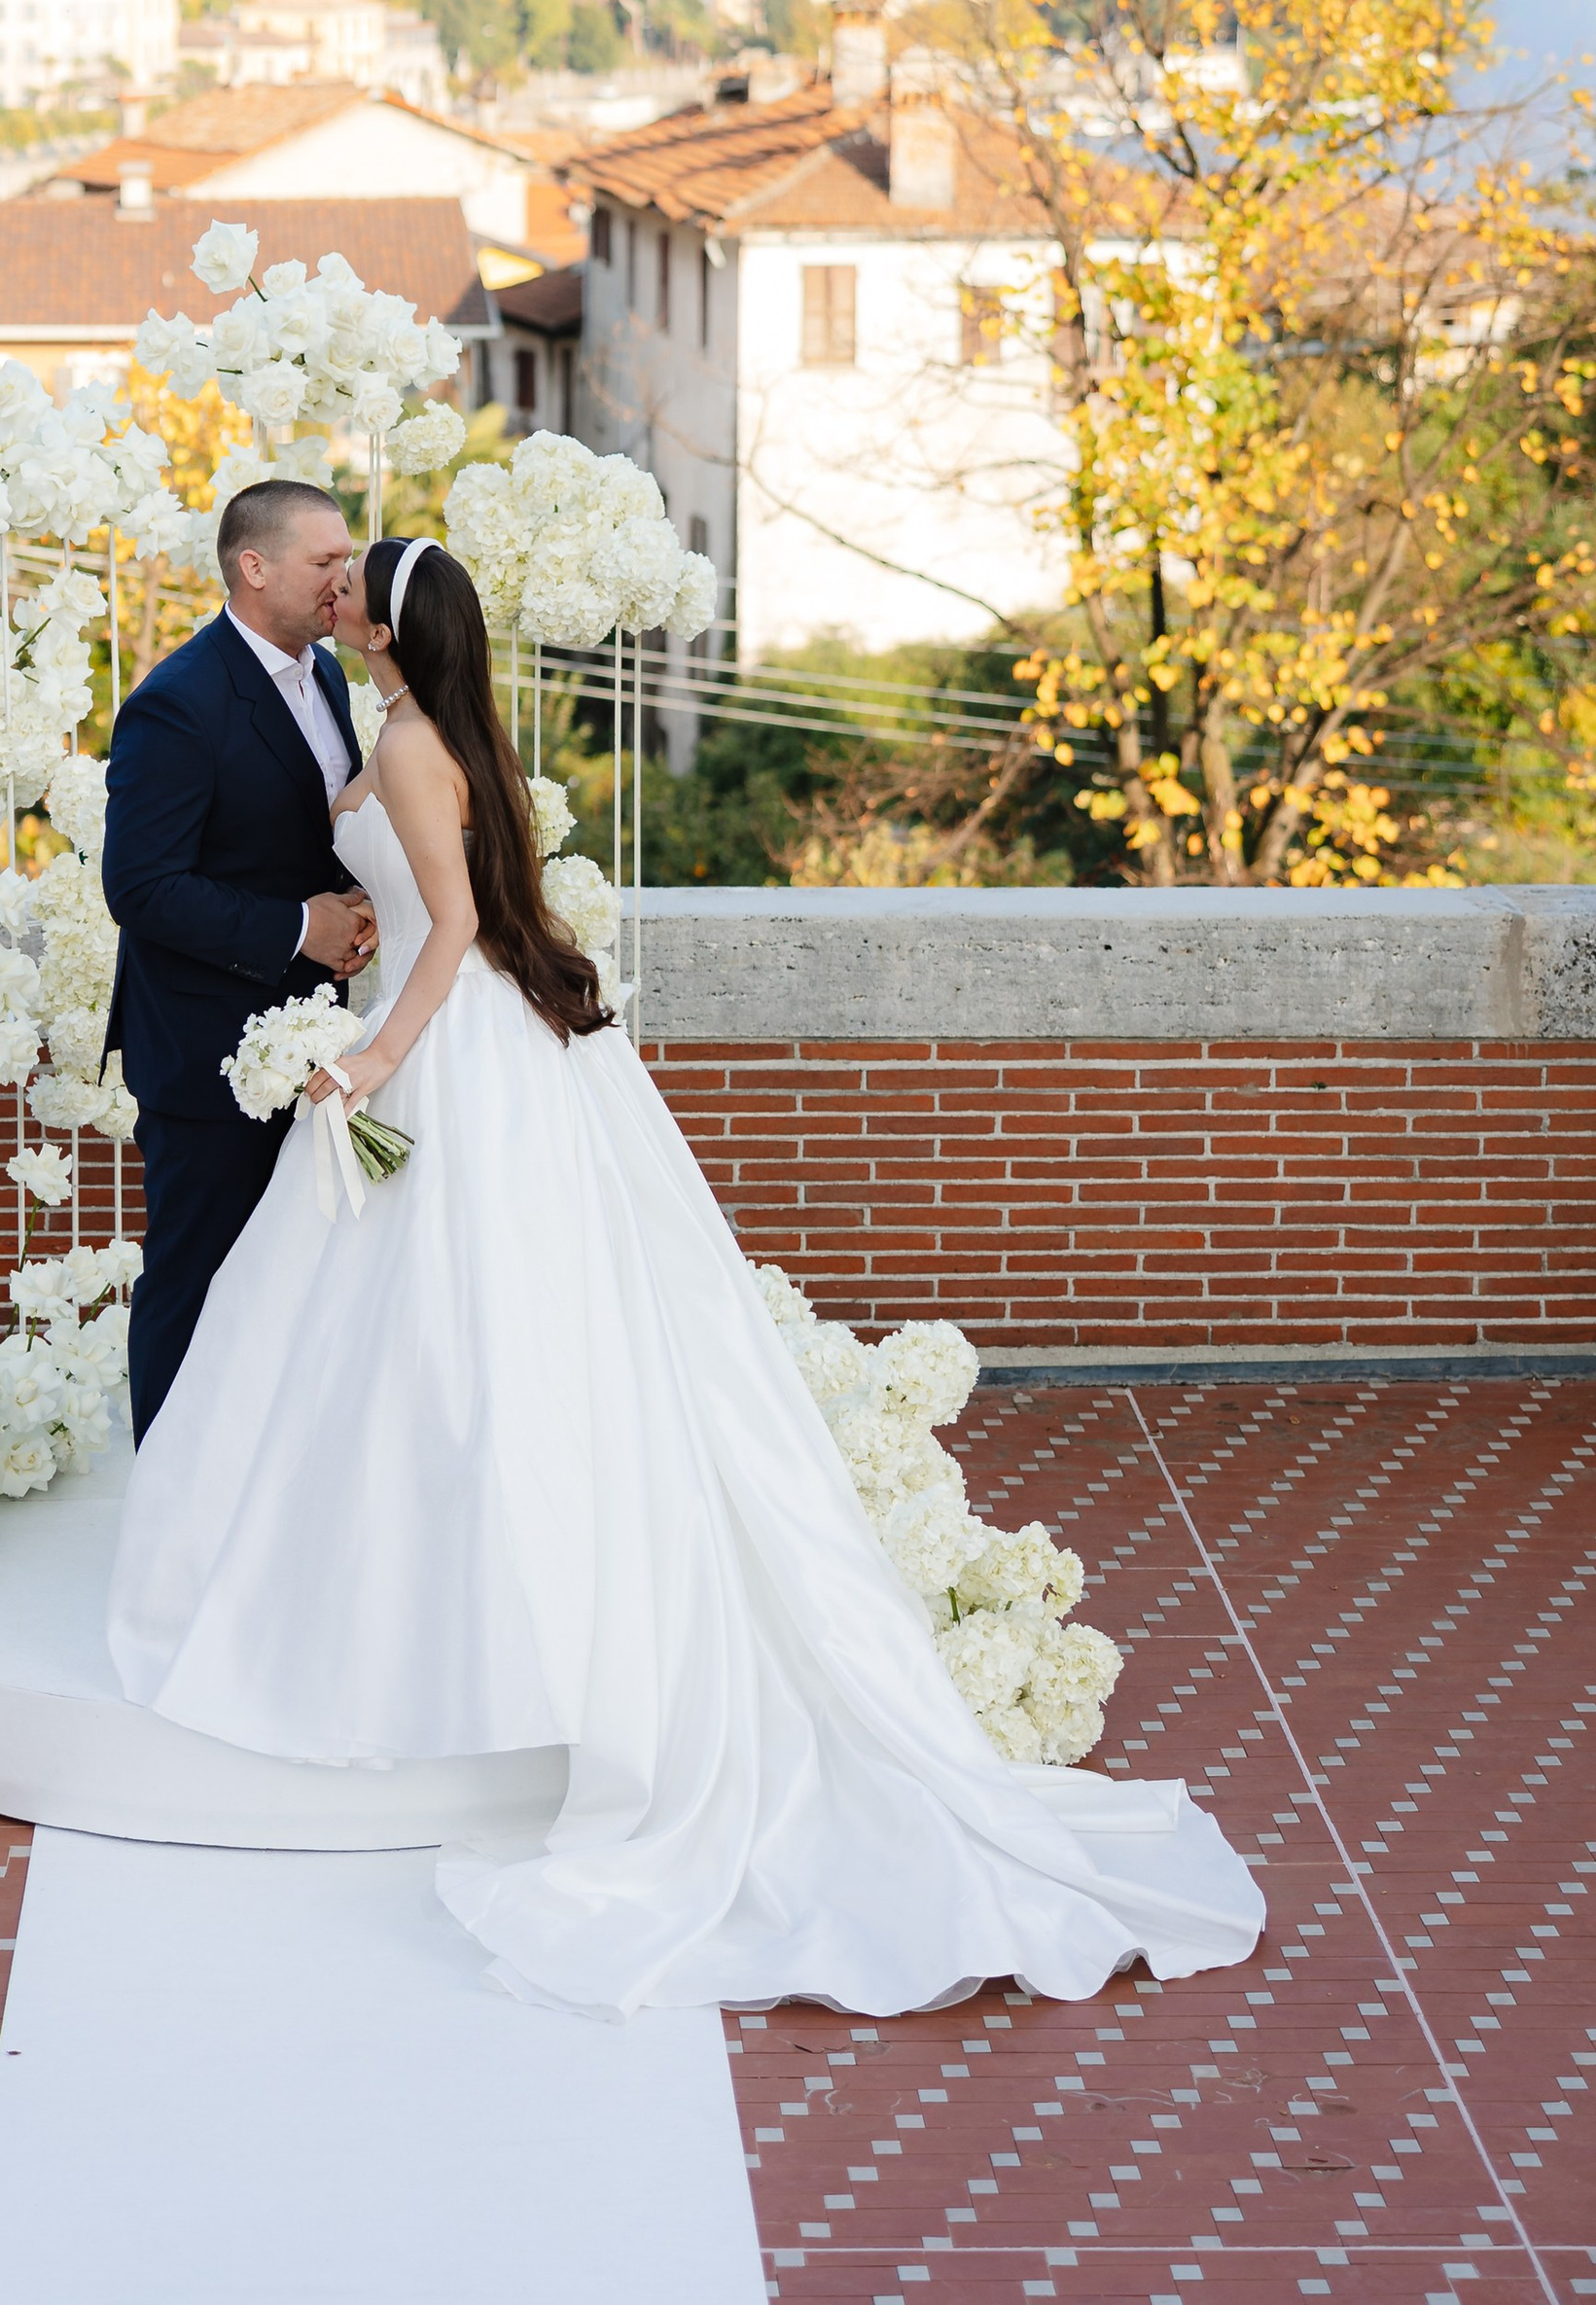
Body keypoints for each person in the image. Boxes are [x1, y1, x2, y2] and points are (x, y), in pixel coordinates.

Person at [107, 531, 1265, 2019]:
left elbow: (449, 921)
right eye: (319, 566)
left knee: (433, 1332)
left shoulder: (398, 736)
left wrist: (377, 1047)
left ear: (386, 630)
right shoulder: (422, 720)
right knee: (443, 1326)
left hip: (436, 1047)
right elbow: (442, 895)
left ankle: (400, 1625)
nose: (331, 591)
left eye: (352, 582)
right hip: (478, 1043)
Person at [101, 478, 378, 1442]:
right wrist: (299, 930)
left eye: (347, 557)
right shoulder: (178, 702)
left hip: (313, 1036)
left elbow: (301, 840)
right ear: (252, 567)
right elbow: (139, 887)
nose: (343, 577)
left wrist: (355, 907)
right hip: (205, 1046)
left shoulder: (330, 676)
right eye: (324, 561)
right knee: (197, 1271)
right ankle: (168, 1508)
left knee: (290, 1273)